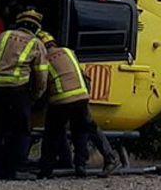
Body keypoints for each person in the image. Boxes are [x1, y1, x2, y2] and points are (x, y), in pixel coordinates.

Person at [36, 30, 119, 178]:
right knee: (86, 128)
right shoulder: (68, 52)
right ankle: (104, 159)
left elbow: (42, 83)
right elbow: (83, 75)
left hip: (61, 99)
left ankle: (46, 170)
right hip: (81, 96)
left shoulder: (44, 59)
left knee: (52, 133)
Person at [0, 8, 49, 179]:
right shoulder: (36, 43)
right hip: (18, 90)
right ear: (36, 28)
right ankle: (13, 169)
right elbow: (41, 74)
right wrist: (36, 95)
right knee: (21, 131)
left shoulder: (3, 36)